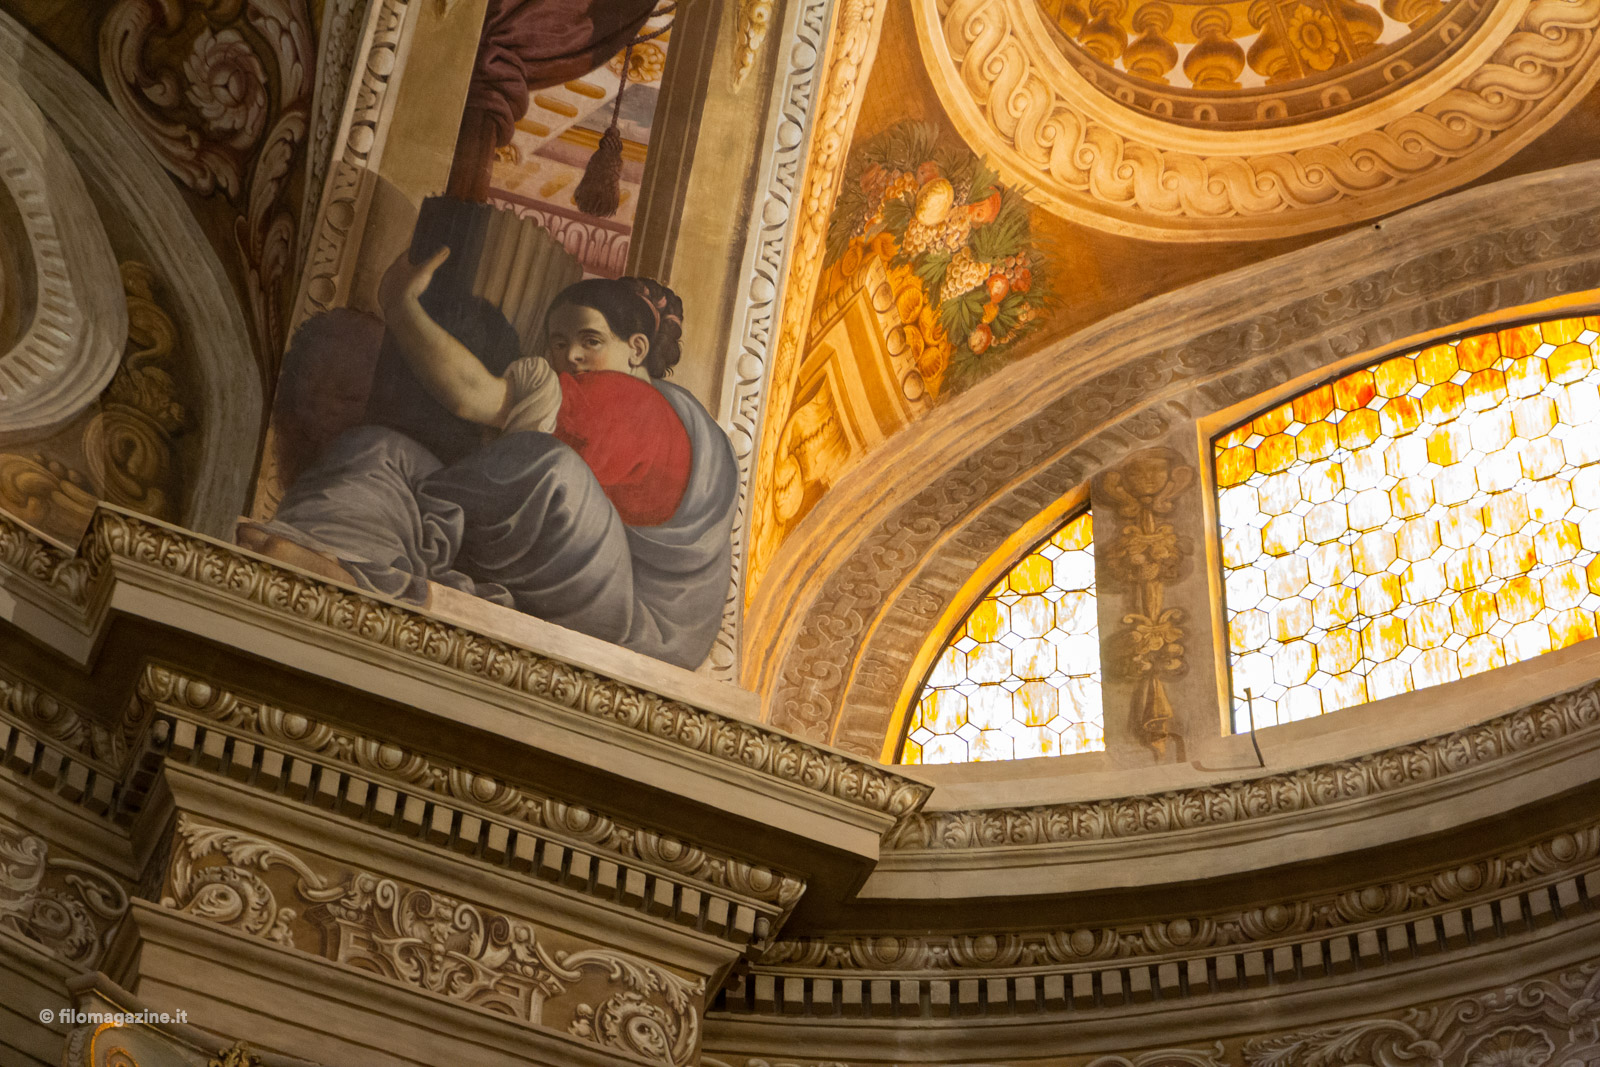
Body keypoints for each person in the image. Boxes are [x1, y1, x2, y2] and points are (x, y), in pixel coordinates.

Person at [238, 249, 736, 670]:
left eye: (590, 341)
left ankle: (385, 565)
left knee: (552, 471)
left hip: (631, 624)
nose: (571, 357)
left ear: (636, 350)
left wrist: (400, 303)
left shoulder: (635, 406)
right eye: (559, 343)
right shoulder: (633, 405)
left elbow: (472, 395)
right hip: (570, 572)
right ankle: (329, 548)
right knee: (380, 449)